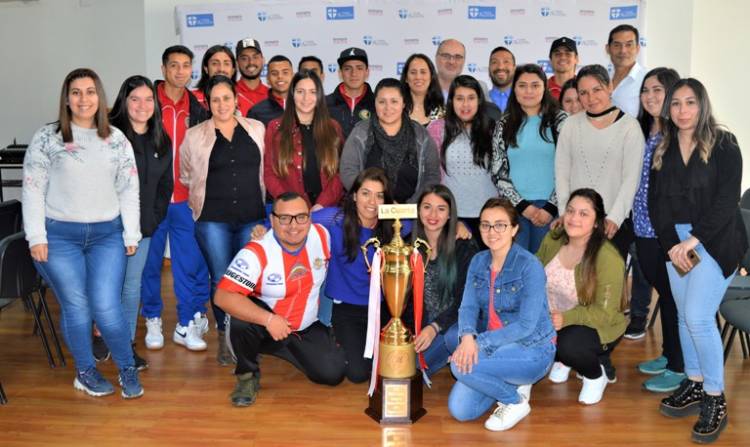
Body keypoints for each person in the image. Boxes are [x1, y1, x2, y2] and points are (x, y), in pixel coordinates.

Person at [23, 68, 143, 398]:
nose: (83, 99)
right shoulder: (47, 138)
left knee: (106, 308)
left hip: (107, 236)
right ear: (66, 98)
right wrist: (37, 237)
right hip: (59, 237)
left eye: (90, 92)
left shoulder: (116, 139)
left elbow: (129, 189)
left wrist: (131, 234)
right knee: (77, 307)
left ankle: (126, 367)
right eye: (76, 92)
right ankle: (86, 371)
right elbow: (33, 190)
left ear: (100, 98)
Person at [650, 78, 746, 444]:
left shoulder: (724, 142)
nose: (682, 110)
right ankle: (694, 381)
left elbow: (727, 201)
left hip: (716, 239)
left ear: (702, 105)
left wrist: (693, 241)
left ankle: (715, 397)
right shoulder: (664, 146)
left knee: (698, 317)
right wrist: (673, 244)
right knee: (682, 316)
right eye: (675, 104)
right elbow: (655, 204)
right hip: (678, 243)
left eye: (690, 102)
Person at [215, 193, 346, 407]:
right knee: (239, 318)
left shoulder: (322, 236)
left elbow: (352, 219)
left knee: (333, 374)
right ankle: (247, 375)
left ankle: (285, 349)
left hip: (304, 327)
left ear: (310, 218)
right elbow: (222, 296)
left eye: (301, 217)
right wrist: (268, 320)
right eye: (285, 218)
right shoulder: (256, 251)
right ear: (273, 220)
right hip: (265, 325)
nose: (293, 226)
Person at [449, 198, 555, 431]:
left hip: (532, 349)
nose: (491, 231)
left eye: (500, 225)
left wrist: (478, 343)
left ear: (514, 229)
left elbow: (526, 326)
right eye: (485, 225)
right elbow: (467, 307)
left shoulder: (529, 265)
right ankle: (511, 382)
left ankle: (515, 401)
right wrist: (467, 338)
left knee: (459, 367)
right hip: (495, 346)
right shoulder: (478, 261)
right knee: (461, 410)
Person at [180, 75, 267, 363]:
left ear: (236, 100)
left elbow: (264, 171)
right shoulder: (194, 135)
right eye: (215, 99)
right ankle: (224, 334)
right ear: (207, 102)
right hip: (212, 219)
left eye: (226, 98)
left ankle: (245, 334)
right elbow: (186, 174)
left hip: (251, 218)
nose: (221, 104)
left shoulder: (256, 129)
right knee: (220, 278)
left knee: (245, 279)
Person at [142, 45, 210, 353]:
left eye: (186, 66)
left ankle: (186, 323)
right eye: (174, 65)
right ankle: (152, 318)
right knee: (150, 263)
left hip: (186, 200)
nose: (180, 71)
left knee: (188, 264)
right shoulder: (146, 102)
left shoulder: (198, 107)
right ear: (163, 68)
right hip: (152, 201)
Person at [537, 189, 626, 405]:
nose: (574, 218)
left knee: (569, 346)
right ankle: (562, 360)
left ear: (597, 223)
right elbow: (534, 272)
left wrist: (565, 319)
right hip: (553, 317)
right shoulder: (554, 238)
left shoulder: (608, 258)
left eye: (584, 214)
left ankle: (596, 375)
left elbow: (604, 314)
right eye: (570, 211)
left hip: (595, 325)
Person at [109, 75, 174, 370]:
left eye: (149, 99)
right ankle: (100, 337)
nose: (142, 105)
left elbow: (165, 186)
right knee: (106, 286)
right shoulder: (109, 136)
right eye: (134, 99)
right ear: (124, 102)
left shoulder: (161, 138)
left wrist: (153, 218)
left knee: (131, 288)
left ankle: (125, 347)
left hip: (144, 230)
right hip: (109, 228)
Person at [631, 67, 684, 393]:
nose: (650, 96)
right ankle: (668, 355)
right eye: (646, 90)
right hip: (642, 227)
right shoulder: (643, 129)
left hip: (666, 232)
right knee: (664, 294)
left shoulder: (678, 134)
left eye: (658, 90)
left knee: (674, 297)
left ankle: (679, 367)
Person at [555, 64, 644, 258]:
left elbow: (631, 179)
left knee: (608, 284)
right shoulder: (570, 125)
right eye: (583, 93)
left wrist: (615, 218)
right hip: (576, 222)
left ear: (610, 87)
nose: (591, 98)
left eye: (597, 90)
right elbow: (562, 173)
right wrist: (565, 212)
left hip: (612, 224)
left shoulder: (630, 127)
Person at [400, 185, 478, 377]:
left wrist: (434, 327)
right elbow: (406, 301)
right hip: (426, 326)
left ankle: (456, 352)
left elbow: (465, 300)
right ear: (418, 211)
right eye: (427, 207)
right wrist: (411, 332)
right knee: (403, 367)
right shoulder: (407, 246)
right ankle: (448, 355)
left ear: (450, 215)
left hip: (453, 324)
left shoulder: (463, 246)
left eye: (441, 209)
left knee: (451, 339)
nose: (433, 214)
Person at [492, 64, 567, 253]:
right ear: (514, 89)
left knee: (545, 271)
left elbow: (570, 168)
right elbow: (498, 172)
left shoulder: (561, 121)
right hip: (515, 209)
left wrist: (550, 207)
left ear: (544, 88)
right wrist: (524, 206)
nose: (529, 91)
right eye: (522, 85)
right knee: (517, 268)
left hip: (551, 210)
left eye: (535, 85)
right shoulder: (504, 124)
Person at [340, 78, 441, 204]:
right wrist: (372, 200)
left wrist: (410, 206)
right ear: (374, 103)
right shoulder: (360, 132)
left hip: (411, 213)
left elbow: (432, 176)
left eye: (394, 101)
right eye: (382, 102)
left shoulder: (421, 135)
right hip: (369, 210)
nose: (388, 108)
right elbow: (348, 171)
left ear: (403, 103)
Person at [426, 75, 497, 240]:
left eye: (471, 98)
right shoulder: (437, 128)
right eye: (459, 98)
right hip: (451, 216)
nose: (465, 105)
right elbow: (431, 175)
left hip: (490, 215)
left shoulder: (493, 129)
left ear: (479, 101)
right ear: (451, 101)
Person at [264, 70, 344, 209]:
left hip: (326, 208)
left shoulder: (333, 127)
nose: (306, 98)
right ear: (292, 94)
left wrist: (321, 204)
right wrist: (292, 204)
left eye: (312, 92)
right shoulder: (276, 128)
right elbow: (269, 173)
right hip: (289, 209)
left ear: (319, 95)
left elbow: (339, 173)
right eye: (300, 91)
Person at [326, 47, 375, 138]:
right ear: (340, 73)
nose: (354, 74)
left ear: (367, 72)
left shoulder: (377, 104)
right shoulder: (324, 104)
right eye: (348, 69)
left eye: (359, 68)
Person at [194, 45, 249, 113]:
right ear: (206, 69)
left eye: (226, 64)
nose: (221, 69)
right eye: (215, 64)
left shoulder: (244, 100)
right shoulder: (193, 99)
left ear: (233, 70)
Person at [606, 24, 647, 117]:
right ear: (608, 49)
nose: (623, 50)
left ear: (637, 48)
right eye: (617, 45)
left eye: (629, 45)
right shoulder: (603, 78)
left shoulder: (646, 79)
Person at [247, 55, 294, 126]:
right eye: (274, 73)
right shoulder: (256, 112)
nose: (280, 77)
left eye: (285, 72)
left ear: (293, 76)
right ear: (268, 79)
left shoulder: (305, 106)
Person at [401, 53, 445, 126]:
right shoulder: (397, 110)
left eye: (423, 72)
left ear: (431, 77)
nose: (418, 77)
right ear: (406, 78)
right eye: (413, 72)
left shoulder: (443, 113)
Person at [236, 38, 270, 115]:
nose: (251, 62)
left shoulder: (272, 95)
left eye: (255, 57)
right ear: (237, 64)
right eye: (244, 58)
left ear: (263, 60)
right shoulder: (229, 92)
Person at [488, 46, 516, 113]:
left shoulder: (525, 100)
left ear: (514, 68)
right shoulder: (479, 101)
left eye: (506, 61)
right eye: (494, 62)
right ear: (489, 69)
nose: (500, 67)